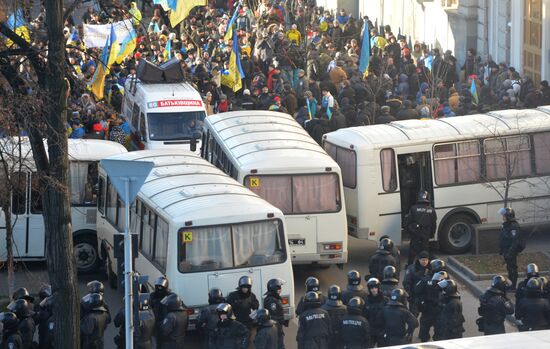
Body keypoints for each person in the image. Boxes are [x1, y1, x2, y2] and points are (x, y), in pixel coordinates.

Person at [405, 191, 437, 265]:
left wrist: (409, 232)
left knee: (412, 251)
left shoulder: (413, 208)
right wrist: (431, 234)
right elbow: (433, 224)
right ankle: (425, 267)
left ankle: (410, 265)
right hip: (426, 234)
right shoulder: (432, 210)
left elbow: (408, 222)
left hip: (415, 233)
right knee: (425, 252)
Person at [414, 269, 446, 342]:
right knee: (439, 330)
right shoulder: (445, 281)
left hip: (427, 308)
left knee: (424, 327)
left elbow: (416, 290)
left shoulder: (425, 279)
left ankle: (423, 341)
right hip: (439, 309)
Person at [499, 207, 522, 290]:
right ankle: (510, 284)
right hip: (507, 250)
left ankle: (513, 286)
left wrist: (509, 253)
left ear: (508, 216)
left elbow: (514, 242)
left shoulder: (513, 226)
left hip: (511, 251)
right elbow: (504, 238)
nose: (502, 217)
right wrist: (502, 250)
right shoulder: (506, 225)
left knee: (512, 269)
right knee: (509, 268)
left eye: (504, 216)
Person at [403, 251, 430, 316]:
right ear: (419, 260)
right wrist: (410, 294)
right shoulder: (412, 268)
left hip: (427, 297)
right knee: (413, 316)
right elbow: (406, 282)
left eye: (426, 260)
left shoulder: (431, 268)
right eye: (422, 260)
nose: (424, 262)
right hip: (415, 297)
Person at [263, 279, 287, 349]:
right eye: (279, 288)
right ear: (274, 289)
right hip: (275, 327)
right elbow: (273, 316)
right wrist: (282, 319)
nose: (280, 290)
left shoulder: (274, 298)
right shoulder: (271, 300)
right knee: (278, 345)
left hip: (276, 326)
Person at [363, 277, 386, 347]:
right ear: (369, 289)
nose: (374, 290)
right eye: (372, 288)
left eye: (375, 287)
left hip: (382, 330)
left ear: (378, 288)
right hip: (370, 330)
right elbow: (364, 316)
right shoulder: (366, 300)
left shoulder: (385, 300)